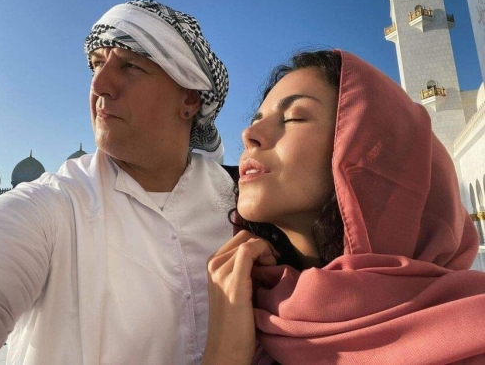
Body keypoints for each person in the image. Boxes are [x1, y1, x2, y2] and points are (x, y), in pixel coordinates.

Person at [0, 0, 234, 364]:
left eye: (130, 66)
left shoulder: (239, 204)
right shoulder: (56, 205)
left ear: (189, 98)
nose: (99, 84)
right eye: (96, 64)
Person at [203, 50, 485, 365]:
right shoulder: (248, 316)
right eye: (255, 120)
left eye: (294, 117)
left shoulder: (472, 334)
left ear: (373, 154)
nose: (248, 135)